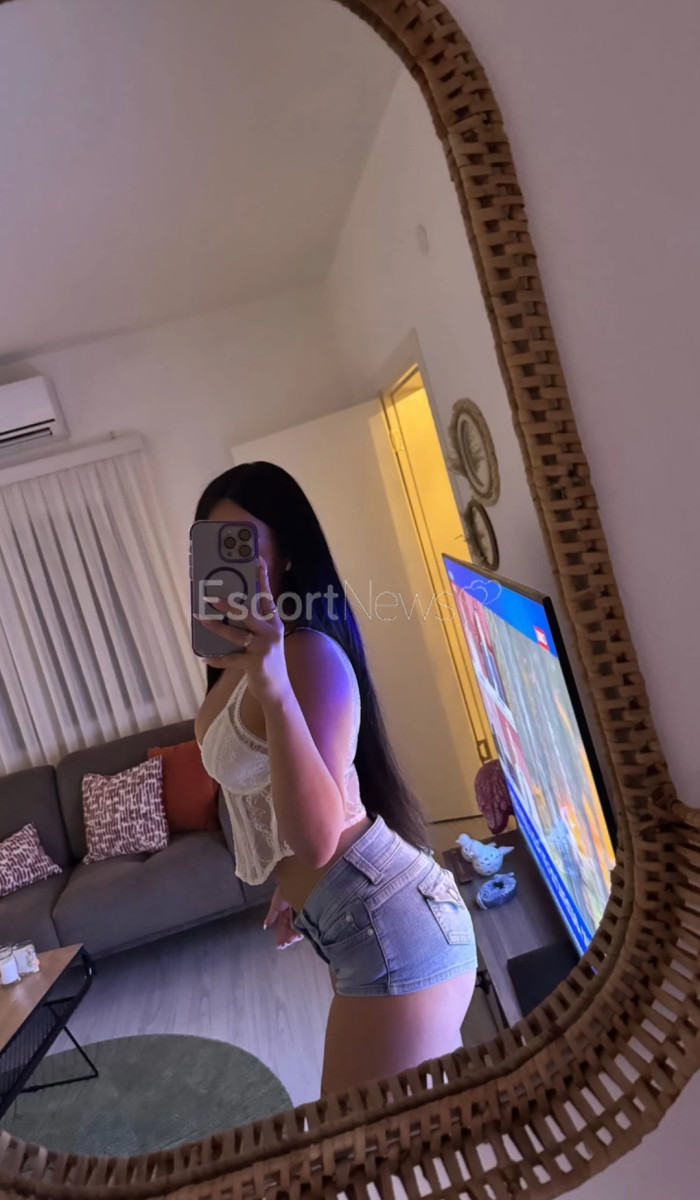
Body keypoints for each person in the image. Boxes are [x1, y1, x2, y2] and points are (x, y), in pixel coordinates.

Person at [193, 462, 477, 1095]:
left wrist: (271, 684)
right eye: (211, 546)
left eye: (243, 545)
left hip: (391, 923)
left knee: (360, 1148)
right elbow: (279, 794)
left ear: (287, 555)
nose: (225, 566)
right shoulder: (240, 660)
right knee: (412, 1140)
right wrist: (291, 881)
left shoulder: (305, 654)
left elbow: (320, 840)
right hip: (351, 919)